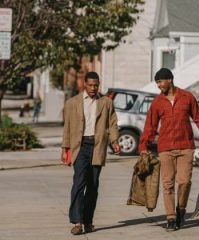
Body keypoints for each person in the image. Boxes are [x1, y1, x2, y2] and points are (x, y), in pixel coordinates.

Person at [138, 68, 199, 231]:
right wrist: (144, 145)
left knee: (184, 182)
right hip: (165, 148)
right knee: (167, 184)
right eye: (157, 82)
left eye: (160, 82)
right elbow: (150, 126)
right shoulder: (157, 102)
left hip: (186, 146)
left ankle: (181, 209)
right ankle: (170, 218)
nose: (158, 86)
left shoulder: (187, 97)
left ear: (169, 80)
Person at [61, 71, 121, 235]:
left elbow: (113, 123)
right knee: (79, 183)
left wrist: (115, 141)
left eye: (96, 85)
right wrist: (65, 148)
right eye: (90, 85)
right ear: (84, 84)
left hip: (97, 146)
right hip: (79, 147)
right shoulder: (72, 103)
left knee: (93, 185)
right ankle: (77, 222)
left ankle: (88, 221)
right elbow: (67, 128)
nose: (93, 88)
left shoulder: (106, 102)